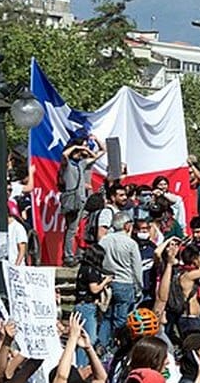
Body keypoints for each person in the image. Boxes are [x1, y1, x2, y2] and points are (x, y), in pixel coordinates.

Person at [98, 211, 144, 353]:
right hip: (125, 283)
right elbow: (137, 268)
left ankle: (102, 345)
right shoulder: (130, 243)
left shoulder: (104, 241)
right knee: (121, 319)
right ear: (127, 225)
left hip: (107, 282)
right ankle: (116, 348)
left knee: (106, 317)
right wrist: (139, 286)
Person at [60, 137, 104, 265]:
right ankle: (68, 256)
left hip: (81, 200)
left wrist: (87, 147)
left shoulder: (81, 164)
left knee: (79, 228)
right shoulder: (68, 164)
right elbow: (64, 154)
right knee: (71, 229)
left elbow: (96, 155)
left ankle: (77, 254)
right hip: (71, 200)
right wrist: (76, 147)